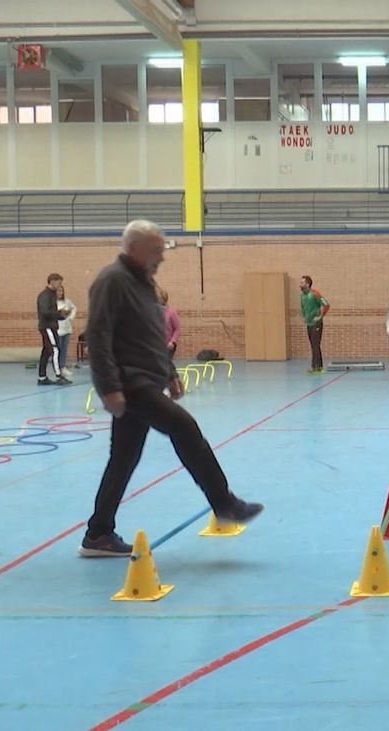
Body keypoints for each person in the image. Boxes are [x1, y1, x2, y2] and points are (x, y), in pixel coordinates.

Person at [79, 220, 263, 557]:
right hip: (130, 383)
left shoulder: (145, 283)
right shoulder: (112, 281)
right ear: (134, 248)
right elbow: (98, 336)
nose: (162, 257)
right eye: (156, 250)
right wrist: (108, 388)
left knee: (123, 459)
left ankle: (98, 533)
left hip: (148, 378)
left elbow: (152, 336)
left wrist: (170, 373)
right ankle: (224, 504)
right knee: (184, 426)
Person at [37, 273, 70, 386]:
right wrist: (59, 313)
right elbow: (45, 312)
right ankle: (58, 376)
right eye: (59, 282)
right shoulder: (45, 295)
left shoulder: (51, 295)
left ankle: (42, 377)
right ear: (52, 281)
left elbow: (51, 313)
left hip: (52, 326)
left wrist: (62, 316)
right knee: (55, 349)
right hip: (47, 327)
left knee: (46, 351)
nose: (60, 285)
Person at [299, 275, 330, 374]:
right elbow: (303, 308)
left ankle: (316, 367)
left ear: (308, 284)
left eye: (302, 283)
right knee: (313, 345)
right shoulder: (302, 296)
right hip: (309, 323)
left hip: (316, 323)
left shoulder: (315, 294)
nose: (300, 284)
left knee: (315, 345)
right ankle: (317, 367)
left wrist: (320, 316)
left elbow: (325, 304)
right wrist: (304, 317)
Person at [55, 284, 78, 373]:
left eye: (61, 291)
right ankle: (58, 369)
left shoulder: (67, 301)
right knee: (58, 349)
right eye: (58, 291)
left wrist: (71, 317)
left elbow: (74, 308)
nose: (60, 293)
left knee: (64, 350)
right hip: (57, 330)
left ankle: (63, 367)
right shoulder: (52, 302)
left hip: (67, 329)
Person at [158, 285, 180, 358]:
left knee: (166, 364)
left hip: (169, 345)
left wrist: (172, 342)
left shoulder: (171, 313)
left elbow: (177, 329)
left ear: (164, 300)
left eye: (160, 299)